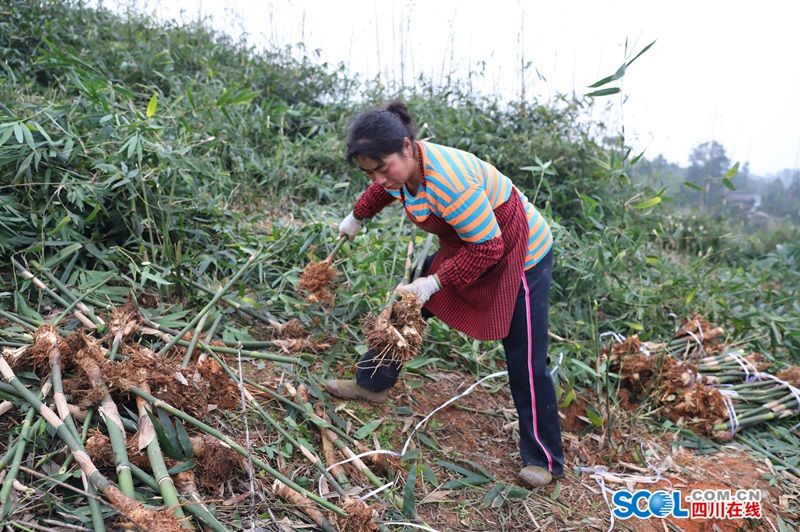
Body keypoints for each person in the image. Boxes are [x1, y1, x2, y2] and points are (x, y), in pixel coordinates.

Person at [326, 100, 563, 487]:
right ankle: (372, 384)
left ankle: (544, 459)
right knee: (407, 308)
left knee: (525, 356)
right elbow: (386, 189)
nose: (380, 179)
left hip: (521, 254)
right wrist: (357, 216)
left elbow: (489, 249)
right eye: (370, 172)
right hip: (469, 244)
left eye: (383, 168)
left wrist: (434, 282)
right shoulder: (402, 171)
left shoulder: (450, 181)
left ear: (407, 147)